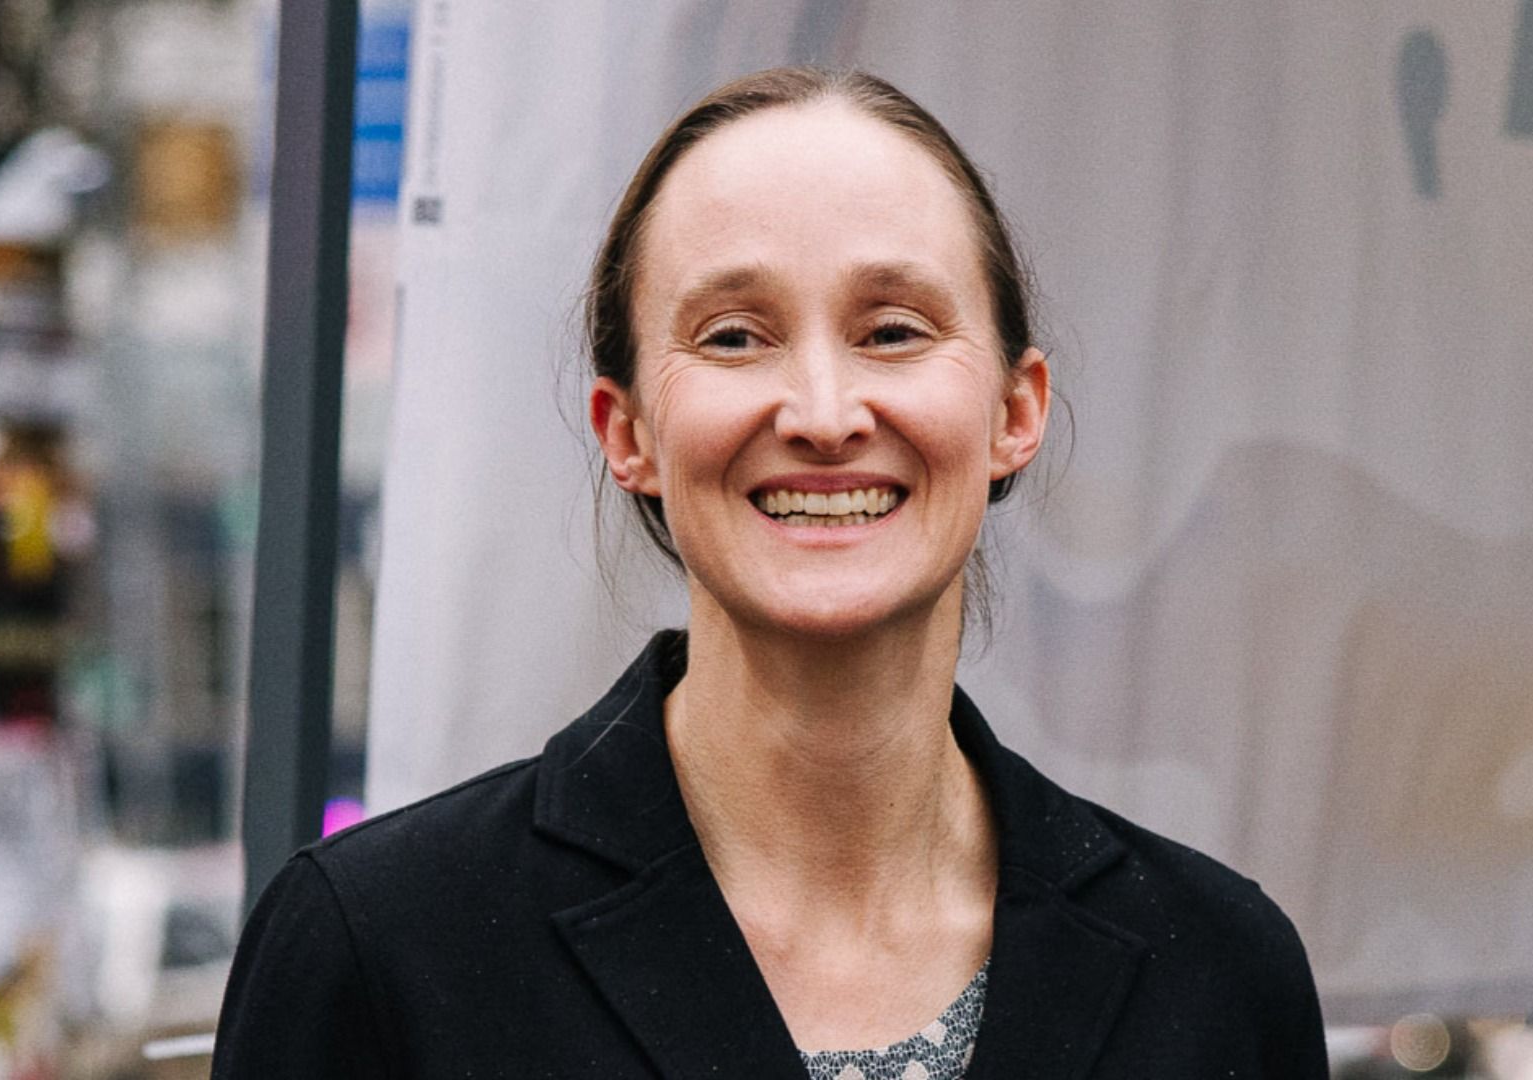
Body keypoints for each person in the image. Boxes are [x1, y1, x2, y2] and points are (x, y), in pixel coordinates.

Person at [212, 66, 1328, 1079]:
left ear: (1014, 411)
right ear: (628, 429)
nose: (825, 415)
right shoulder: (384, 951)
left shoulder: (1219, 975)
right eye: (735, 337)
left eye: (892, 330)